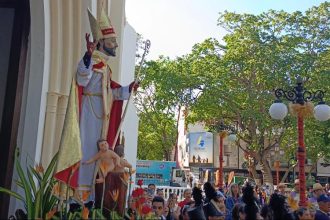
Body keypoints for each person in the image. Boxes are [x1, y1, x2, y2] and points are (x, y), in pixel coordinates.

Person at [76, 8, 138, 205]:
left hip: (102, 117)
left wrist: (129, 89)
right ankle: (80, 197)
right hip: (89, 114)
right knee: (87, 153)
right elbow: (81, 78)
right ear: (101, 42)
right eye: (112, 42)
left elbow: (112, 93)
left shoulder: (105, 67)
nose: (116, 45)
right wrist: (87, 55)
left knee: (100, 156)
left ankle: (93, 196)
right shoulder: (93, 61)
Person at [95, 144, 132, 217]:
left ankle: (108, 213)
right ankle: (118, 214)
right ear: (123, 153)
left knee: (109, 196)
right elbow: (130, 166)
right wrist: (129, 173)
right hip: (120, 180)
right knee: (120, 198)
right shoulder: (122, 161)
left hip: (110, 179)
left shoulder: (112, 160)